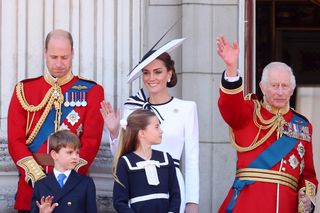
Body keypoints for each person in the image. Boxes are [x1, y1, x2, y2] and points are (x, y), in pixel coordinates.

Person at [216, 35, 318, 212]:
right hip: (248, 204)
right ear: (263, 87)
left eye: (284, 86)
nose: (280, 92)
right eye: (274, 85)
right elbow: (230, 106)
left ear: (292, 90)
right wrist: (231, 68)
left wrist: (307, 197)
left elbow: (308, 174)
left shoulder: (302, 126)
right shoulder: (248, 113)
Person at [7, 29, 104, 212]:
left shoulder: (92, 91)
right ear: (45, 53)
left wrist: (66, 179)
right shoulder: (24, 90)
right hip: (32, 190)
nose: (59, 63)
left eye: (64, 57)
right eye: (54, 57)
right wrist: (38, 179)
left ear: (73, 53)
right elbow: (15, 141)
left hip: (73, 192)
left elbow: (91, 143)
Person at [101, 40, 199, 213]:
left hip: (171, 184)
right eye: (146, 73)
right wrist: (115, 131)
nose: (151, 78)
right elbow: (122, 154)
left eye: (158, 72)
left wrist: (192, 201)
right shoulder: (133, 108)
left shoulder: (187, 108)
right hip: (137, 183)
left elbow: (192, 159)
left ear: (169, 74)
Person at [112, 109, 180, 212]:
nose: (161, 131)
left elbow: (175, 195)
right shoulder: (125, 162)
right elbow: (119, 202)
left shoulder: (166, 159)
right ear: (142, 133)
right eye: (156, 127)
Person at [31, 130, 97, 213]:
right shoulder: (40, 185)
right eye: (70, 152)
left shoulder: (86, 183)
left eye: (77, 153)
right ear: (54, 155)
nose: (75, 157)